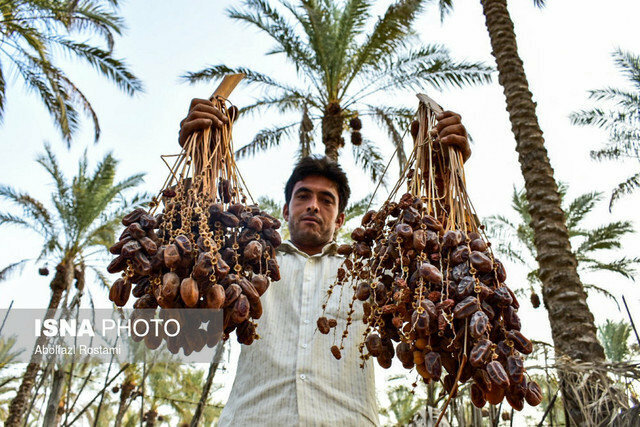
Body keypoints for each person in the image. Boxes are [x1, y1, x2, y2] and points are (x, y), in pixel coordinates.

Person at [179, 99, 470, 426]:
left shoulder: (372, 272)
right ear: (286, 211)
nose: (313, 206)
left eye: (325, 199)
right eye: (303, 196)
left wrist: (441, 178)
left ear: (341, 218)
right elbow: (186, 324)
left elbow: (436, 273)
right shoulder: (249, 263)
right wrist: (199, 160)